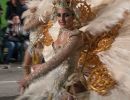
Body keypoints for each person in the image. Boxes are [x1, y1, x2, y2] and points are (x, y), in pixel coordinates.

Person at [16, 0, 130, 100]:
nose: (62, 19)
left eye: (66, 15)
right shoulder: (60, 32)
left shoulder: (75, 37)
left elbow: (56, 61)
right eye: (59, 15)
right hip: (61, 84)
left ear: (74, 16)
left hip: (74, 84)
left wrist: (30, 78)